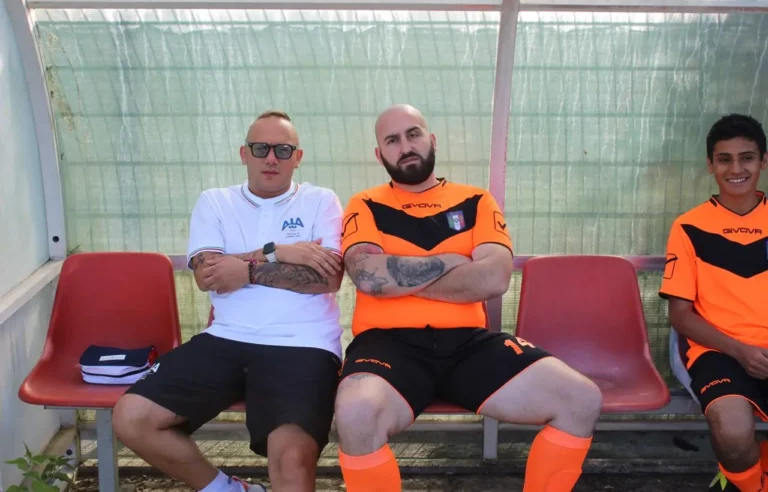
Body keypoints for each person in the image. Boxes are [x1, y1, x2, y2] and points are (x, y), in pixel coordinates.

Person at [334, 104, 603, 492]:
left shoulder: (476, 200)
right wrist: (453, 262)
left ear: (432, 140)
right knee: (355, 412)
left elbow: (494, 278)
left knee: (580, 399)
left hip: (468, 344)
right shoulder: (365, 203)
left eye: (413, 134)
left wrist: (400, 276)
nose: (405, 146)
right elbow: (367, 277)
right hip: (387, 345)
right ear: (379, 154)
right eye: (392, 140)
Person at [112, 110, 345, 492]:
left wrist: (245, 269)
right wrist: (276, 252)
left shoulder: (321, 201)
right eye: (261, 148)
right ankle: (228, 490)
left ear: (298, 157)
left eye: (283, 150)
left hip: (303, 344)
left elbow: (326, 278)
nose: (271, 158)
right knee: (132, 417)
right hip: (226, 338)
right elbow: (208, 275)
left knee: (291, 460)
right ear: (244, 153)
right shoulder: (215, 202)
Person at [660, 113, 768, 492]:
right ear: (710, 164)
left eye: (747, 158)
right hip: (718, 351)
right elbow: (680, 316)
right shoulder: (688, 226)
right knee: (732, 435)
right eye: (724, 159)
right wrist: (741, 351)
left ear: (763, 161)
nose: (735, 169)